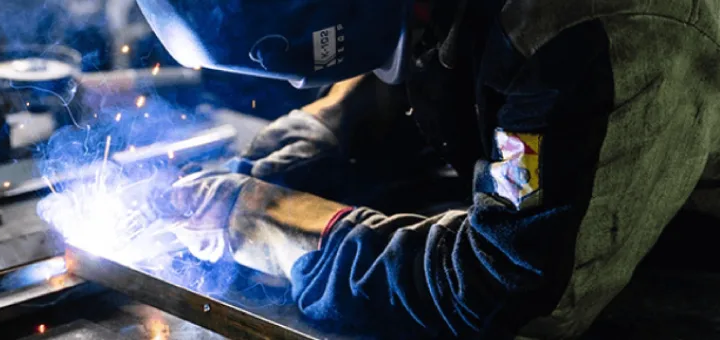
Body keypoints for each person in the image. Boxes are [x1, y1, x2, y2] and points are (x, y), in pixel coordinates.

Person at [130, 0, 720, 338]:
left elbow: (498, 290)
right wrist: (276, 160)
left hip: (676, 269)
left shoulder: (592, 36)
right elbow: (414, 57)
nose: (293, 84)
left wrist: (270, 219)